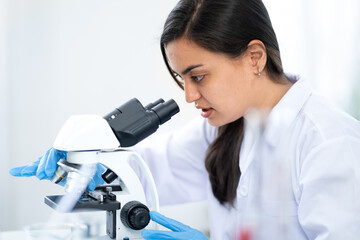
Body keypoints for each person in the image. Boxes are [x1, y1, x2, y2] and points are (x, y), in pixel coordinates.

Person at [9, 0, 360, 239]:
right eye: (182, 80)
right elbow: (150, 169)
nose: (189, 96)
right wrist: (86, 168)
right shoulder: (227, 130)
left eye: (199, 76)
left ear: (254, 57)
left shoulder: (329, 144)